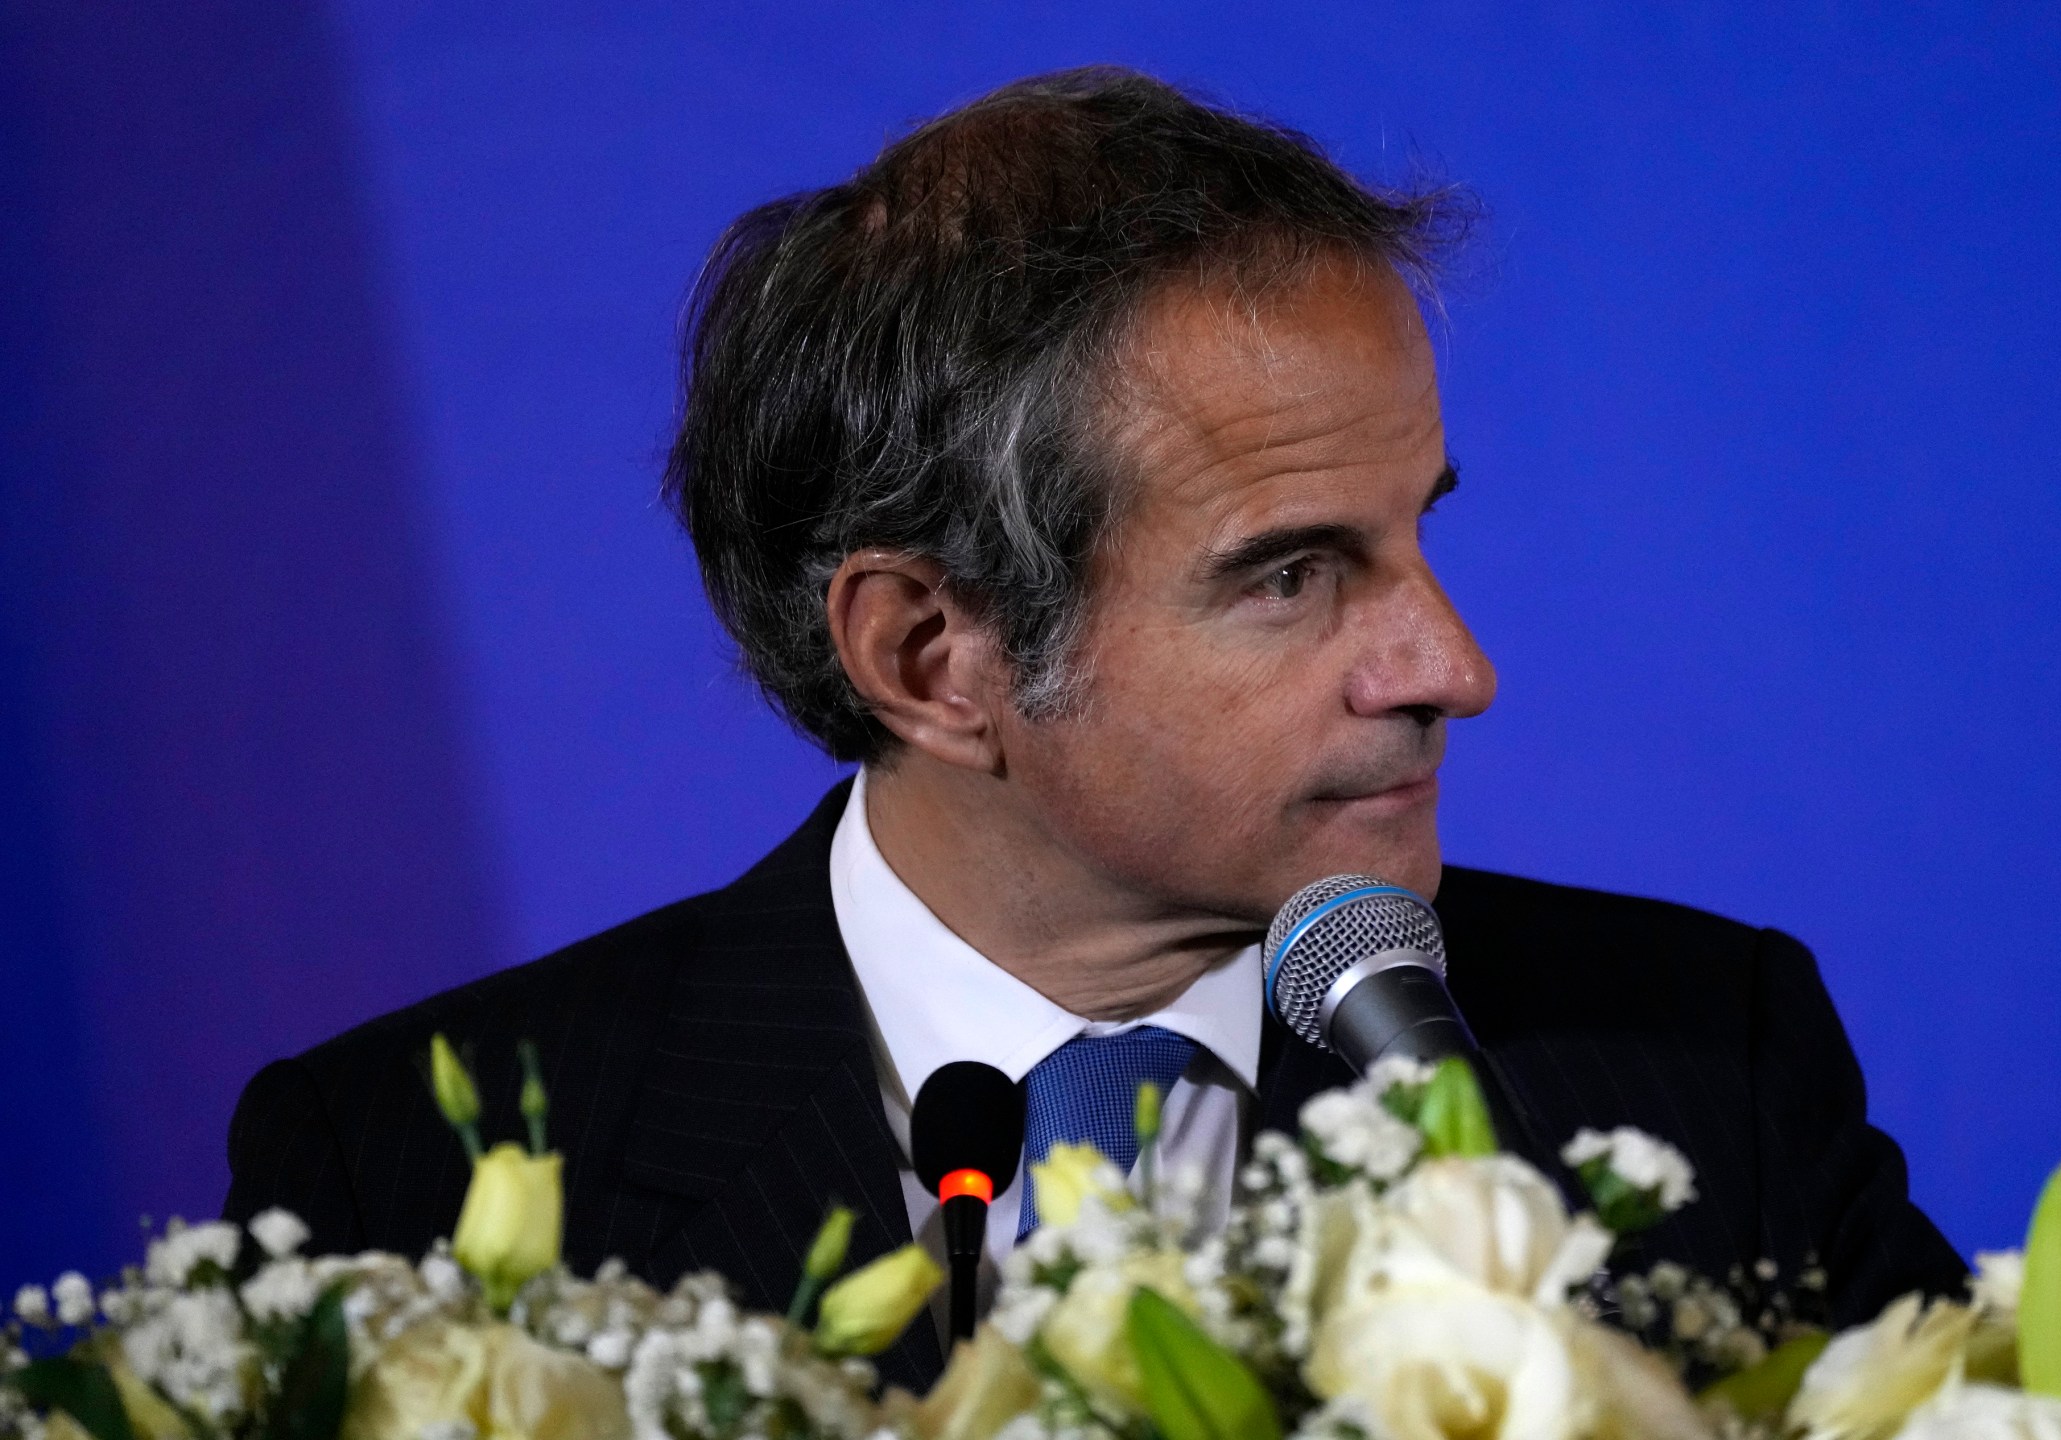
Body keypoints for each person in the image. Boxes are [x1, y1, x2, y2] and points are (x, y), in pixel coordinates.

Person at [221, 67, 1966, 1390]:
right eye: (1292, 575)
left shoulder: (1697, 1069)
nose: (1448, 662)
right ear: (930, 657)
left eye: (1422, 530)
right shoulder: (409, 1179)